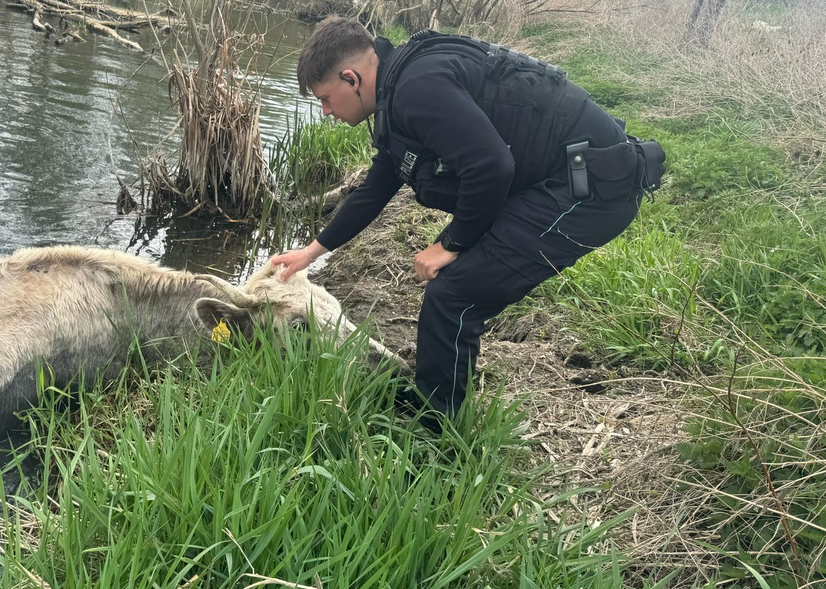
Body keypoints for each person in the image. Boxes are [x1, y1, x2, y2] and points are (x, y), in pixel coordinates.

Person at [269, 17, 663, 419]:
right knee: (456, 284)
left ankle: (437, 431)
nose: (326, 111)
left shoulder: (415, 88)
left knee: (455, 294)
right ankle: (435, 402)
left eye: (325, 98)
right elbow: (378, 185)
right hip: (559, 179)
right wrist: (311, 252)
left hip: (590, 190)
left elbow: (491, 167)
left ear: (351, 78)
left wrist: (450, 244)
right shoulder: (401, 83)